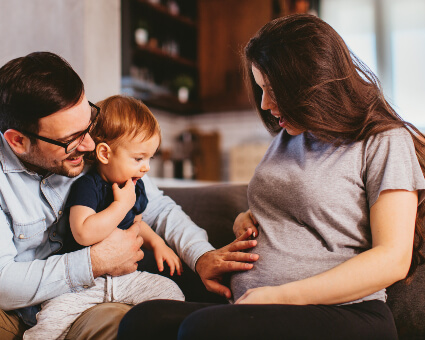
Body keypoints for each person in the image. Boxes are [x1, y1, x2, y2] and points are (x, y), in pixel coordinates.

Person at [117, 14, 425, 340]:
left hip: (346, 312)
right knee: (142, 321)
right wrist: (246, 218)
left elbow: (393, 258)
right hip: (257, 308)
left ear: (312, 82)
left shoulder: (385, 141)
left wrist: (279, 296)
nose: (264, 103)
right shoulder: (288, 137)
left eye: (274, 90)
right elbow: (300, 211)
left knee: (202, 330)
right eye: (262, 89)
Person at [0, 52, 257, 340]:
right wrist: (94, 261)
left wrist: (201, 256)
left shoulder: (95, 156)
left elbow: (159, 209)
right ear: (18, 141)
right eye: (71, 139)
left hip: (90, 296)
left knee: (129, 322)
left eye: (89, 124)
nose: (88, 145)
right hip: (14, 309)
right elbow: (4, 284)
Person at [23, 95, 186, 340]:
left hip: (126, 279)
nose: (147, 168)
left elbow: (136, 225)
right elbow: (83, 231)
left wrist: (158, 244)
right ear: (105, 154)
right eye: (139, 158)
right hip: (81, 285)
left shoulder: (135, 187)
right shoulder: (89, 186)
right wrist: (121, 205)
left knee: (172, 294)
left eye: (150, 158)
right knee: (50, 324)